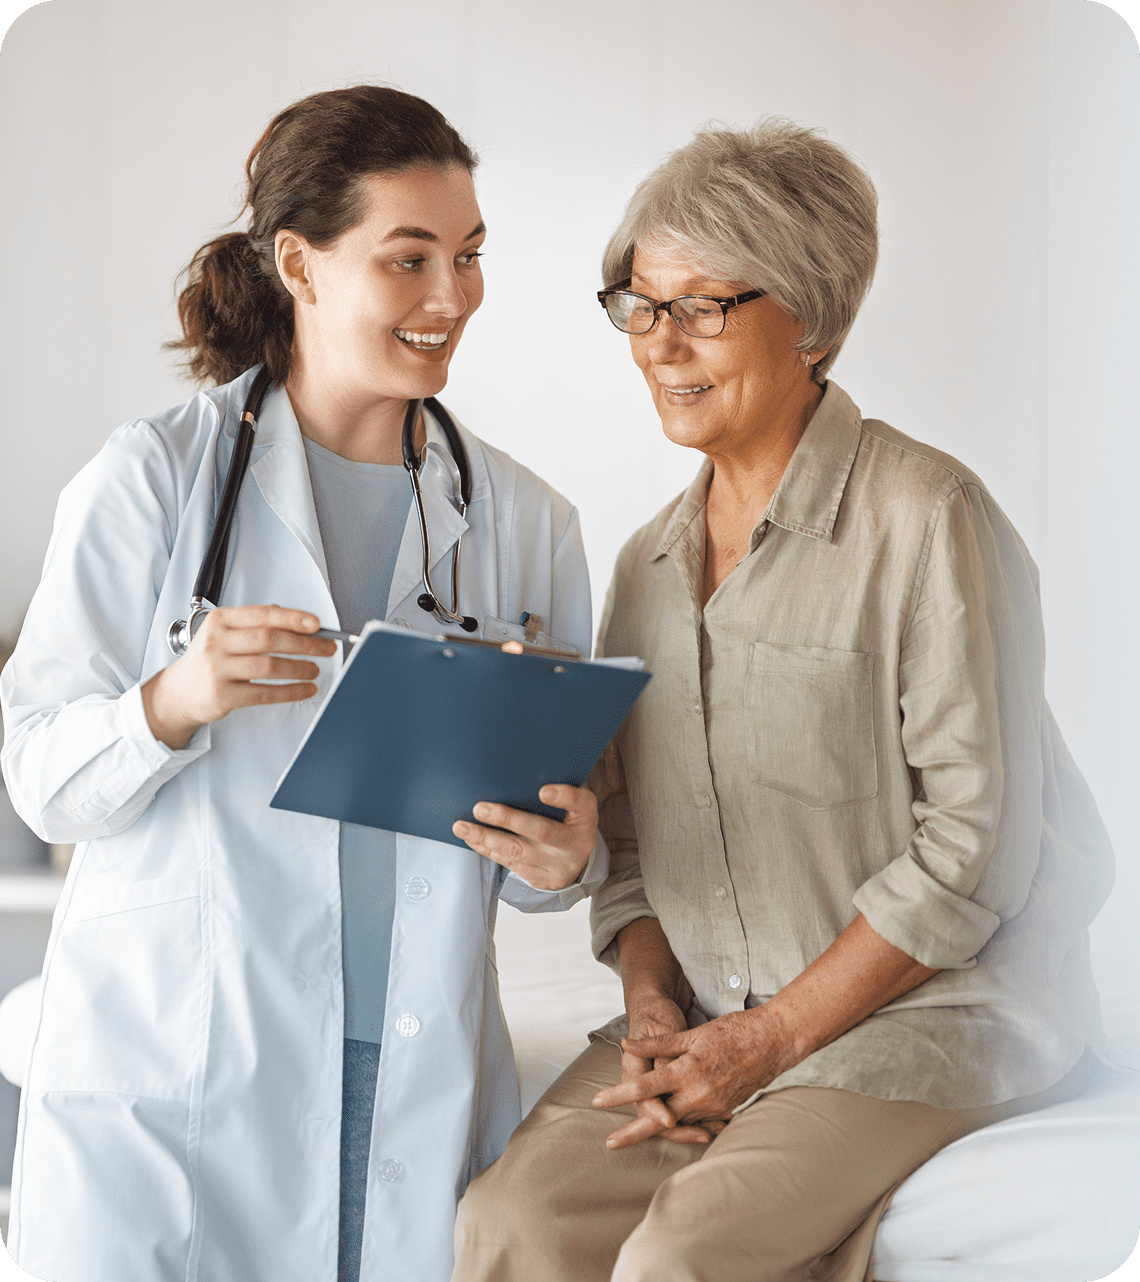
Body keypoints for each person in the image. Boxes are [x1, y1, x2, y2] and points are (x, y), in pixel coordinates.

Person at [451, 119, 1114, 1282]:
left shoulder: (931, 518)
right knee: (509, 1223)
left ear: (817, 321)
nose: (661, 344)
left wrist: (761, 1043)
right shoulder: (646, 566)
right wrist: (656, 1011)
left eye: (704, 304)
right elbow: (638, 846)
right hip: (713, 1012)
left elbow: (975, 854)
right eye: (640, 305)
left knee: (685, 1254)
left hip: (928, 1020)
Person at [0, 85, 604, 1282]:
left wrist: (567, 856)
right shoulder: (150, 483)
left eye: (471, 256)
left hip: (415, 1059)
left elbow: (548, 860)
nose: (452, 298)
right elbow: (40, 784)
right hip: (193, 1065)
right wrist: (171, 702)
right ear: (301, 263)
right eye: (410, 258)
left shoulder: (526, 520)